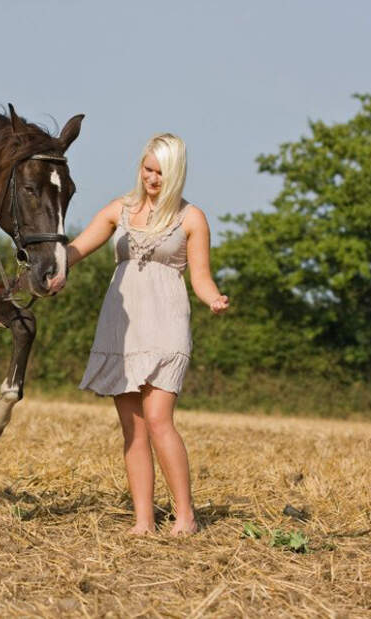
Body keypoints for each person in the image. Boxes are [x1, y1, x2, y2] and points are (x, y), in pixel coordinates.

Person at [66, 133, 229, 536]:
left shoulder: (192, 218)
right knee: (133, 426)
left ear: (176, 175)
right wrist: (51, 270)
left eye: (161, 172)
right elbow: (76, 249)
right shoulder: (119, 210)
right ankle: (143, 520)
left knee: (158, 420)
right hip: (121, 327)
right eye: (148, 169)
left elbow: (201, 277)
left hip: (166, 323)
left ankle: (185, 516)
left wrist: (214, 299)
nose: (153, 178)